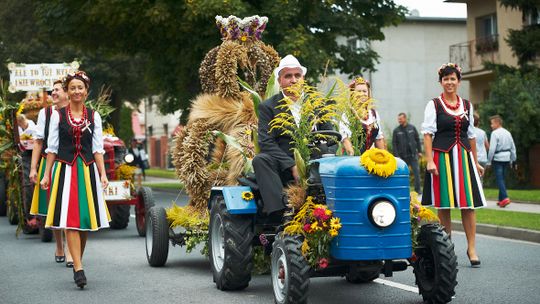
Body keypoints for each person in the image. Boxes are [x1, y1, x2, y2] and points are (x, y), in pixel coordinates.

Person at [40, 71, 110, 288]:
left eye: (80, 87)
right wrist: (46, 174)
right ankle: (78, 269)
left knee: (85, 224)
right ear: (67, 92)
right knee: (70, 220)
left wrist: (103, 174)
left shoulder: (94, 116)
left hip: (87, 170)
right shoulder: (57, 116)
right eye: (72, 88)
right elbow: (51, 147)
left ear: (86, 91)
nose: (76, 91)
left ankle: (78, 258)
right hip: (65, 169)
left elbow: (97, 148)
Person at [421, 63, 486, 267]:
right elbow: (428, 134)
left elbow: (471, 135)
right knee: (445, 205)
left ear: (458, 81)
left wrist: (475, 162)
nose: (450, 82)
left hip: (464, 158)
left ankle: (472, 248)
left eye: (453, 78)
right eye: (446, 79)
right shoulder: (434, 104)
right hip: (442, 157)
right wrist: (430, 159)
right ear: (441, 82)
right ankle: (446, 249)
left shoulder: (467, 105)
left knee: (469, 205)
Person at [253, 54, 333, 217]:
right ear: (280, 81)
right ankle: (281, 213)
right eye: (288, 76)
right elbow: (266, 142)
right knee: (260, 160)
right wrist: (292, 165)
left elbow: (331, 137)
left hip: (315, 161)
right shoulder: (268, 107)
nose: (293, 80)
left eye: (297, 75)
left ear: (303, 78)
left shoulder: (317, 102)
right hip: (283, 166)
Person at [29, 79, 73, 267]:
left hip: (70, 163)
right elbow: (38, 142)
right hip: (49, 164)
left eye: (56, 90)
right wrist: (33, 168)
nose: (52, 93)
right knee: (53, 208)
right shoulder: (45, 113)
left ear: (66, 93)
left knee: (69, 207)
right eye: (52, 90)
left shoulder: (76, 110)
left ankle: (71, 251)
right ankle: (59, 246)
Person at [340, 77, 385, 155]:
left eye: (364, 91)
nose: (362, 94)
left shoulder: (373, 114)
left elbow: (379, 139)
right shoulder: (348, 114)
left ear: (368, 93)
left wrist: (384, 157)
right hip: (352, 158)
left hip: (369, 157)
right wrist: (354, 157)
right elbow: (345, 139)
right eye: (358, 91)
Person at [486, 115, 516, 208]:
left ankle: (505, 198)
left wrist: (489, 162)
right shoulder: (507, 133)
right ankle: (501, 200)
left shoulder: (495, 133)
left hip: (498, 159)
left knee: (499, 179)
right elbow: (513, 148)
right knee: (502, 178)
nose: (491, 125)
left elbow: (492, 149)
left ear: (497, 123)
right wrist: (513, 160)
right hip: (506, 158)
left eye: (492, 123)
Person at [16, 114, 38, 231]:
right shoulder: (18, 129)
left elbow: (37, 142)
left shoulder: (33, 128)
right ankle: (28, 215)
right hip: (25, 154)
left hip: (34, 152)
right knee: (28, 184)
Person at [392, 113, 423, 194]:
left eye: (400, 119)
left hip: (413, 155)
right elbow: (394, 144)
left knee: (416, 173)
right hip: (402, 157)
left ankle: (418, 190)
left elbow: (417, 140)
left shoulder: (412, 128)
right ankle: (402, 190)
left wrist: (419, 151)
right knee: (402, 174)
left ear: (405, 118)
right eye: (398, 119)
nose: (399, 120)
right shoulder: (396, 131)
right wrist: (396, 156)